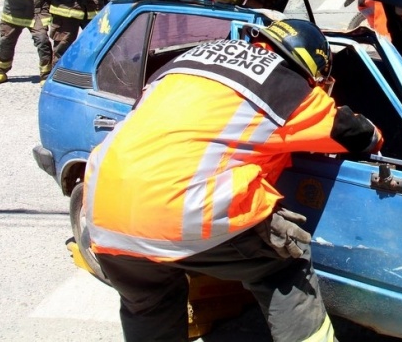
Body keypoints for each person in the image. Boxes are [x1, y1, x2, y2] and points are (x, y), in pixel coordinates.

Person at [84, 18, 383, 342]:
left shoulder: (191, 58)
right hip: (182, 210)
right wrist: (378, 136)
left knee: (149, 304)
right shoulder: (287, 86)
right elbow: (352, 133)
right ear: (311, 70)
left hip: (104, 210)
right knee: (282, 264)